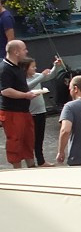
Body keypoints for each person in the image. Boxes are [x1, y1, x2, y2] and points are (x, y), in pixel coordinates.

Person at [1, 39, 44, 168]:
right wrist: (26, 95)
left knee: (28, 139)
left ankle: (31, 166)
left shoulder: (18, 66)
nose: (26, 51)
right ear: (16, 52)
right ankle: (17, 171)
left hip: (24, 110)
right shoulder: (5, 69)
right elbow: (6, 91)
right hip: (12, 112)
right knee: (15, 141)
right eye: (24, 49)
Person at [21, 56, 63, 167]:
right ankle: (30, 161)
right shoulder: (21, 80)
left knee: (39, 138)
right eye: (32, 67)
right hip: (29, 112)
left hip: (40, 111)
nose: (35, 69)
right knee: (29, 138)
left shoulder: (37, 76)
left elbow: (51, 75)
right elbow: (28, 86)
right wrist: (42, 76)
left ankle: (41, 160)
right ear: (25, 68)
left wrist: (56, 66)